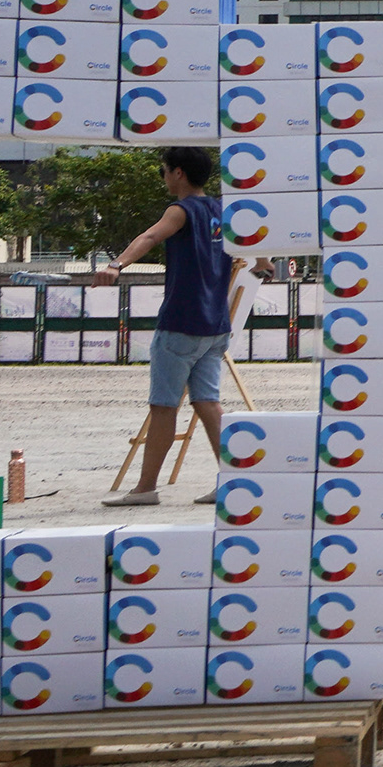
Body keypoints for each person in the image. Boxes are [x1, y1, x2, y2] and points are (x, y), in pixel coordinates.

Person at [104, 145, 236, 508]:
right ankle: (234, 480)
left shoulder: (181, 210)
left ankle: (146, 488)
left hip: (181, 323)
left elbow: (149, 237)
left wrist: (117, 264)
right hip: (216, 325)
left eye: (164, 170)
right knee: (208, 403)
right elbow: (254, 253)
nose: (163, 177)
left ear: (178, 173)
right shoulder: (223, 210)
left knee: (163, 407)